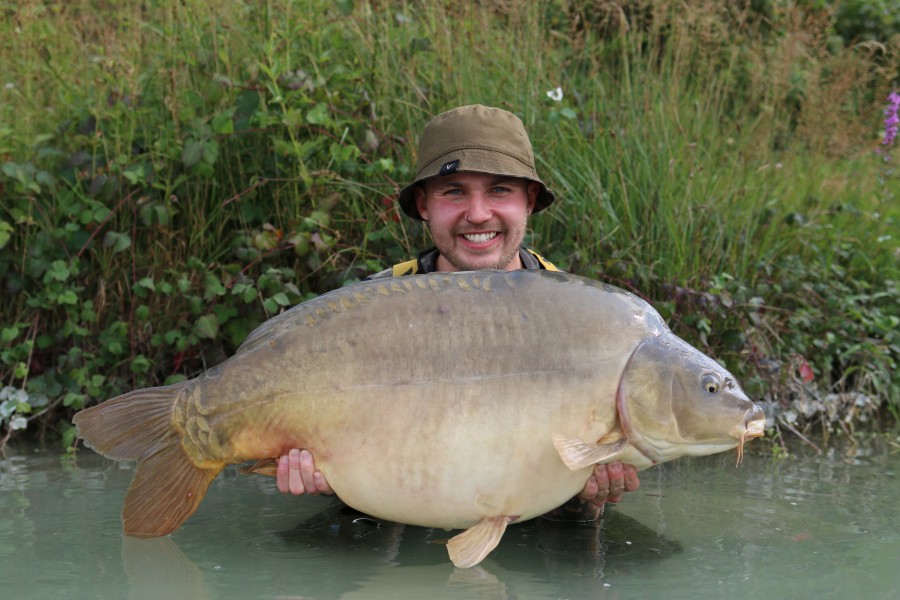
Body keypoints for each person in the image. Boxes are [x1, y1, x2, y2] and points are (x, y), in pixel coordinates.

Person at [276, 104, 640, 521]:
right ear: (424, 204)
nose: (478, 213)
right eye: (454, 191)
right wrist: (324, 478)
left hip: (539, 516)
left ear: (529, 201)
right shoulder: (370, 308)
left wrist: (587, 495)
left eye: (500, 190)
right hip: (396, 509)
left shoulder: (586, 317)